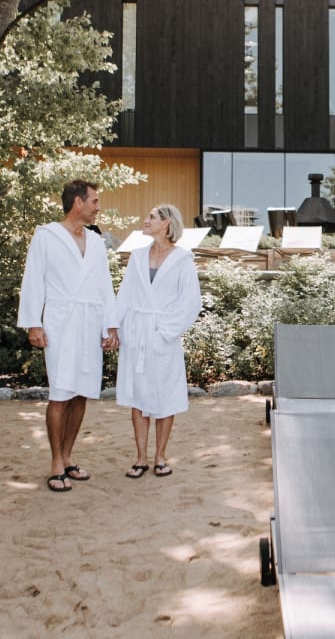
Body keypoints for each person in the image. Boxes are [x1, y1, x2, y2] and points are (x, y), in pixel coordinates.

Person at [18, 180, 120, 493]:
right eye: (95, 201)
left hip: (90, 322)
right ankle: (55, 463)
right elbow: (33, 279)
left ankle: (68, 456)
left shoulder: (95, 241)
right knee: (60, 392)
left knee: (82, 393)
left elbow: (104, 285)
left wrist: (110, 326)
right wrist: (33, 323)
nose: (98, 207)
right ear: (78, 202)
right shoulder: (46, 236)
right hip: (61, 321)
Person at [116, 204, 202, 478]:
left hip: (163, 337)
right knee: (138, 397)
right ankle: (141, 458)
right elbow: (125, 295)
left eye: (151, 217)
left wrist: (165, 330)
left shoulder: (182, 259)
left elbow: (191, 302)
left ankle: (160, 456)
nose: (145, 220)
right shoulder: (137, 257)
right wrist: (116, 328)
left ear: (166, 223)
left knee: (165, 396)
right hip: (137, 334)